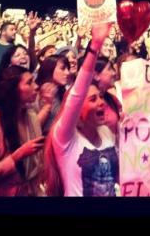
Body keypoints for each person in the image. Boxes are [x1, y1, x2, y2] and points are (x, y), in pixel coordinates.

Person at [44, 22, 119, 196]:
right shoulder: (66, 138)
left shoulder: (107, 133)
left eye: (100, 97)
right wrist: (94, 47)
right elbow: (77, 94)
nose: (101, 102)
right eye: (92, 99)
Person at [0, 65, 45, 196]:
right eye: (29, 82)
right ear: (13, 90)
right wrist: (18, 155)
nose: (36, 86)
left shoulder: (30, 116)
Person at [35, 54, 71, 134]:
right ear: (50, 69)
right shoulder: (37, 94)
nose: (67, 72)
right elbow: (32, 128)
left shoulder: (61, 92)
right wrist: (47, 106)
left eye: (68, 69)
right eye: (62, 68)